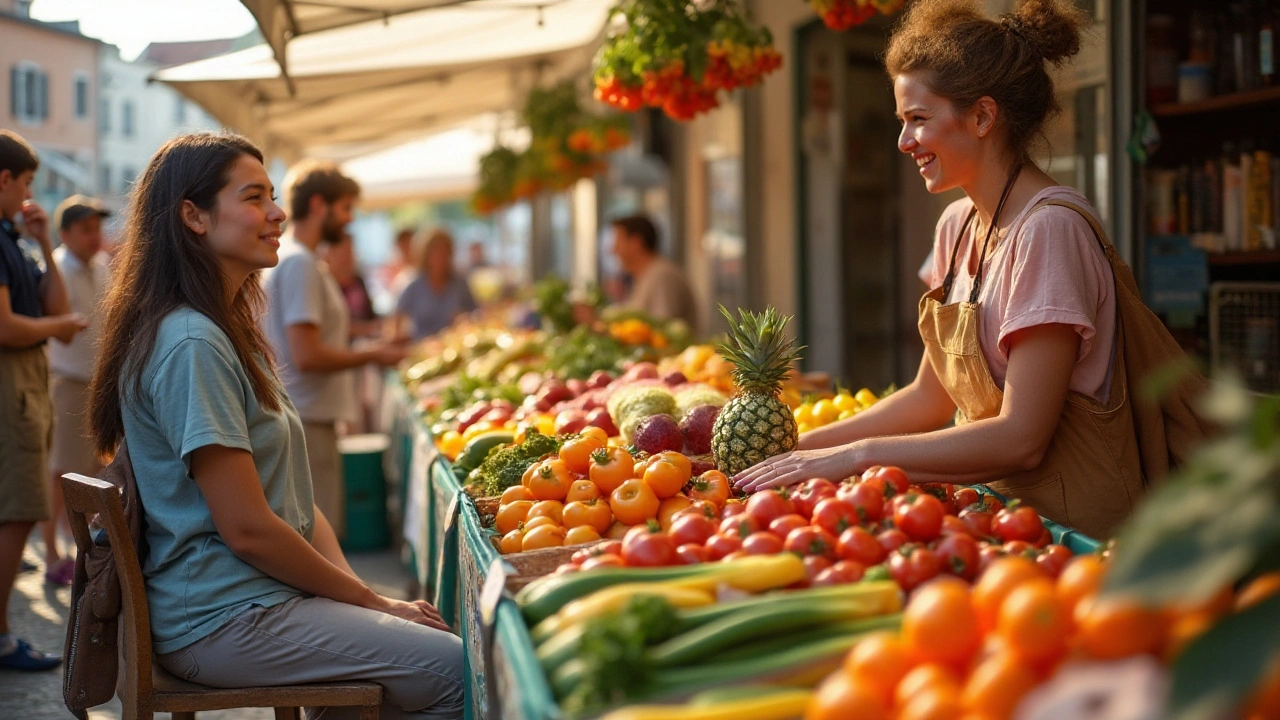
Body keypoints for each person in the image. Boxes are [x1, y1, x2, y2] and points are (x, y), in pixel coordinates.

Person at [735, 0, 1180, 540]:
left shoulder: (1049, 232)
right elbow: (930, 399)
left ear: (983, 117)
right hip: (993, 514)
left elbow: (1022, 438)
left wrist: (855, 456)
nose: (903, 143)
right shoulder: (957, 225)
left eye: (917, 120)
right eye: (903, 122)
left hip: (1076, 537)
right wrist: (795, 452)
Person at [85, 133, 463, 718]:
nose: (278, 212)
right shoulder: (193, 343)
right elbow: (249, 531)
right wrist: (371, 601)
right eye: (255, 197)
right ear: (194, 216)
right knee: (458, 668)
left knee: (419, 659)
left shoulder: (225, 331)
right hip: (224, 617)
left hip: (255, 601)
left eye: (273, 196)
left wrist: (366, 601)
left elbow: (298, 509)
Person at [263, 161, 406, 541]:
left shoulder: (301, 261)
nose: (348, 219)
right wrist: (371, 354)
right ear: (317, 206)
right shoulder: (299, 264)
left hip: (307, 416)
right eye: (344, 208)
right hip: (307, 420)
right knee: (322, 541)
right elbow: (306, 354)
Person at [0, 130, 87, 671]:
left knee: (18, 508)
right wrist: (59, 325)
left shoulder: (13, 237)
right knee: (18, 511)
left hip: (25, 378)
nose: (31, 193)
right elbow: (8, 327)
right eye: (27, 182)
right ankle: (2, 636)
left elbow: (51, 301)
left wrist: (40, 242)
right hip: (12, 383)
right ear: (4, 180)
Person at [42, 195, 113, 587]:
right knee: (60, 471)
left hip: (96, 383)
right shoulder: (57, 269)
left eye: (97, 227)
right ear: (65, 234)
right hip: (68, 382)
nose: (94, 236)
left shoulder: (102, 268)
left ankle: (85, 549)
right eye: (85, 229)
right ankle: (53, 552)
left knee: (95, 468)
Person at [609, 215, 697, 331]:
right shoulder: (646, 275)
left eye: (618, 241)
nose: (613, 250)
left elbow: (662, 331)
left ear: (636, 243)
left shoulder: (662, 276)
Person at [389, 229, 478, 342]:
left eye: (445, 252)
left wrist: (464, 319)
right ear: (425, 255)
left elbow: (476, 313)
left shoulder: (460, 283)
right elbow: (396, 320)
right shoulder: (414, 285)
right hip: (422, 347)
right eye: (435, 252)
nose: (440, 257)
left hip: (454, 345)